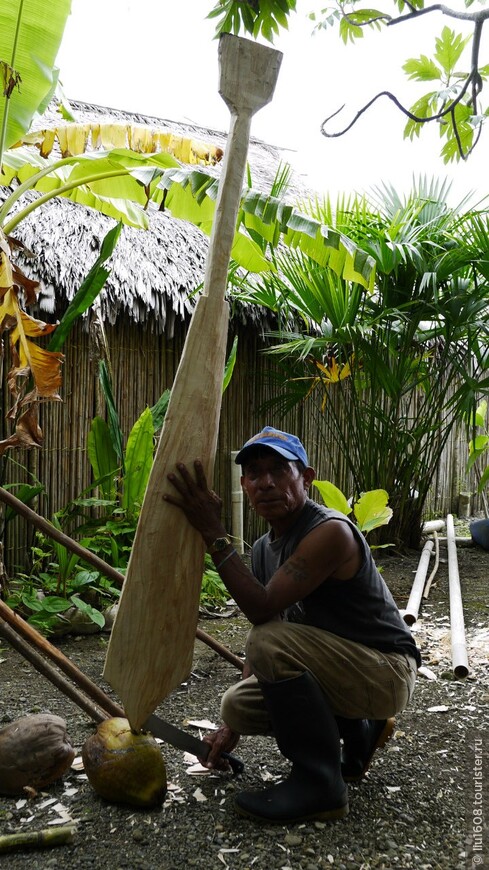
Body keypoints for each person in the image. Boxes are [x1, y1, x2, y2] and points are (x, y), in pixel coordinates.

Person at [164, 426, 421, 824]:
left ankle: (320, 787)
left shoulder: (330, 531)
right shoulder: (266, 549)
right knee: (237, 705)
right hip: (343, 670)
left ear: (306, 477)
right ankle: (360, 731)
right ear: (244, 485)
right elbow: (270, 627)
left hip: (386, 671)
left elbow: (262, 617)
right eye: (254, 472)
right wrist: (228, 728)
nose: (265, 482)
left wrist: (213, 532)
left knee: (266, 641)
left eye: (279, 470)